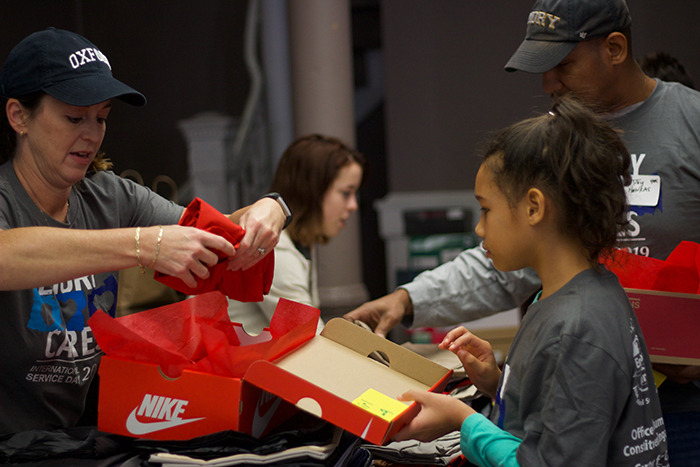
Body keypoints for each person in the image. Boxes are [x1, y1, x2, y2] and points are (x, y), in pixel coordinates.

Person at [345, 0, 700, 464]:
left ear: (614, 48)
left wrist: (464, 420)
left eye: (563, 65)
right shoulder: (555, 141)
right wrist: (410, 300)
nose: (549, 83)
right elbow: (505, 256)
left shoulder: (690, 122)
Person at [0, 28, 291, 436]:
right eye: (73, 117)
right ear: (19, 116)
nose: (92, 133)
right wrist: (143, 244)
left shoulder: (109, 195)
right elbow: (6, 255)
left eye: (101, 117)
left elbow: (214, 234)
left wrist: (272, 208)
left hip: (70, 439)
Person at [392, 96, 668, 466]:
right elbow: (555, 415)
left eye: (486, 210)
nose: (479, 227)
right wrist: (500, 383)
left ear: (534, 207)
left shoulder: (577, 328)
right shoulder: (584, 293)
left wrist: (462, 421)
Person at [228, 134, 365, 334]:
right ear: (312, 192)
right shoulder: (276, 250)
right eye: (346, 193)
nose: (353, 206)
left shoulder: (295, 243)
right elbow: (310, 341)